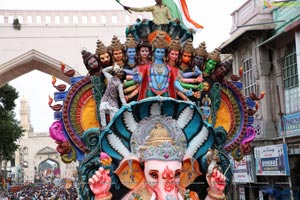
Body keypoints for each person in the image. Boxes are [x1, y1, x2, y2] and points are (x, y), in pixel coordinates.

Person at [89, 122, 227, 200]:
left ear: (186, 172)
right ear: (136, 172)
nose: (168, 184)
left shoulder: (188, 196)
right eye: (154, 175)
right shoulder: (136, 197)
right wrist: (102, 195)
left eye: (177, 174)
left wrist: (215, 193)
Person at [133, 31, 193, 100]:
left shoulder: (169, 68)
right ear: (154, 52)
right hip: (150, 94)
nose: (160, 54)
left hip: (165, 94)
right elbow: (141, 80)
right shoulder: (147, 67)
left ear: (165, 53)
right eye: (158, 52)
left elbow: (175, 82)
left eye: (162, 52)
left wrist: (184, 90)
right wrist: (136, 78)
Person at [99, 65, 127, 129]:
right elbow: (104, 71)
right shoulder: (110, 78)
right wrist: (113, 67)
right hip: (105, 99)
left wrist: (125, 104)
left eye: (120, 72)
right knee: (101, 108)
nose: (118, 72)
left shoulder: (119, 84)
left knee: (113, 120)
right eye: (119, 71)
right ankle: (103, 126)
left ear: (121, 76)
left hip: (113, 102)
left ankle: (113, 131)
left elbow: (121, 96)